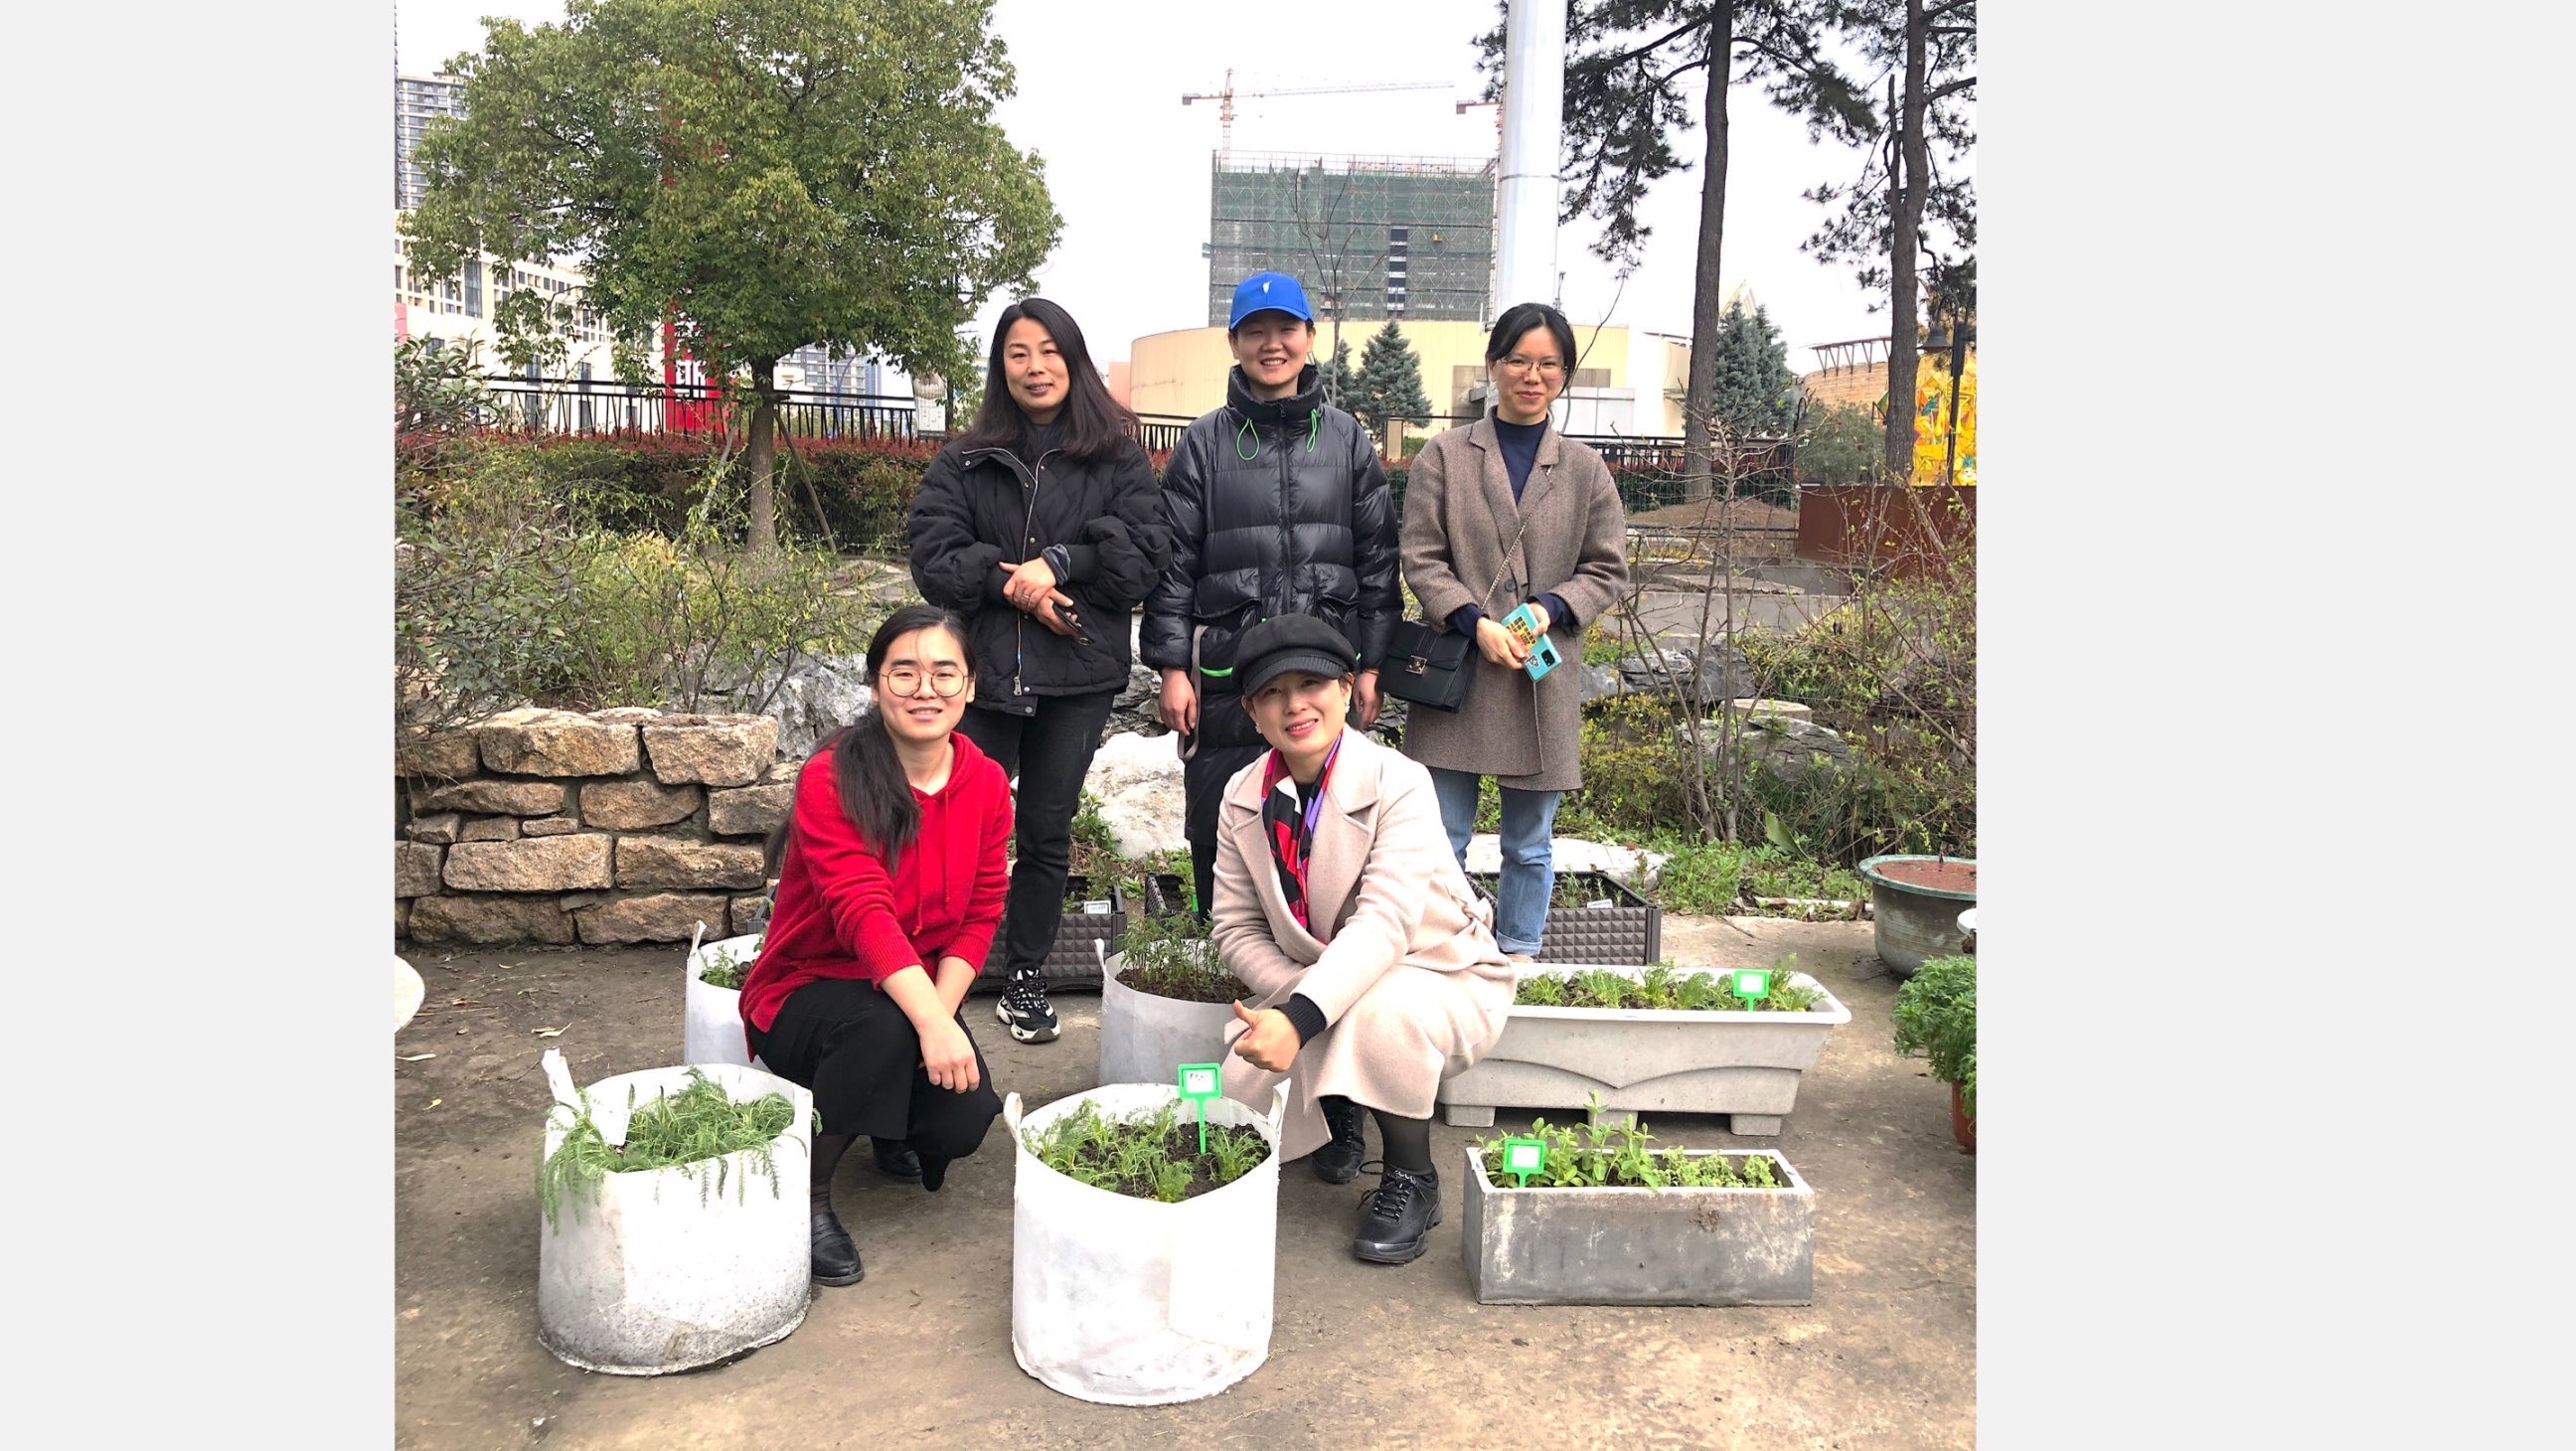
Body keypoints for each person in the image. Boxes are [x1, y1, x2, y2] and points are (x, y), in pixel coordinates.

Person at [1209, 616, 1515, 1265]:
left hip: (1439, 975)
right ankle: (1338, 1109)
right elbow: (1233, 927)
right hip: (1321, 979)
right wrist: (1307, 997)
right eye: (1273, 693)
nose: (1295, 705)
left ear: (1347, 690)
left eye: (1312, 683)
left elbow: (1386, 923)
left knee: (1376, 1010)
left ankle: (1411, 1176)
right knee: (1238, 1078)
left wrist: (1300, 1016)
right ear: (1252, 712)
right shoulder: (1242, 797)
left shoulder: (1396, 781)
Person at [909, 298, 1170, 1044]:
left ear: (1074, 359)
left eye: (1050, 351)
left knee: (1047, 832)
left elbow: (1145, 555)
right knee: (962, 832)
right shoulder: (966, 457)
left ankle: (1025, 974)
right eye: (1018, 353)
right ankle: (941, 977)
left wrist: (1060, 562)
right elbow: (933, 554)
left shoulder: (1116, 455)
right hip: (983, 677)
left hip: (1077, 675)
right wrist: (1008, 584)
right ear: (1000, 366)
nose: (1035, 367)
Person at [736, 605, 1012, 1287]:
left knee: (964, 1123)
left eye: (945, 673)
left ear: (971, 686)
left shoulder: (984, 785)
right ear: (874, 684)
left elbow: (980, 915)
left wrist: (940, 1021)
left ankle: (889, 1126)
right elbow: (865, 913)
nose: (926, 689)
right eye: (905, 672)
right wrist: (926, 1026)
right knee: (885, 1030)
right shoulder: (832, 777)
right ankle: (808, 1199)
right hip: (805, 992)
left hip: (907, 992)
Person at [1142, 271, 1400, 921]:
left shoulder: (1346, 439)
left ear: (1310, 337)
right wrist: (1173, 669)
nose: (1272, 344)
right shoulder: (1204, 442)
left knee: (1328, 823)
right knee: (1221, 816)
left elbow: (1376, 562)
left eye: (1286, 329)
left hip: (1325, 667)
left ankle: (1316, 974)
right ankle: (1219, 952)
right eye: (1255, 332)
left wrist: (1371, 664)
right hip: (1227, 669)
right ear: (1234, 343)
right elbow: (1171, 566)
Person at [1395, 302, 1628, 961]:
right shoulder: (1444, 455)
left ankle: (1520, 952)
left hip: (1541, 677)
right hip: (1460, 673)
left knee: (1531, 841)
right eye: (1519, 360)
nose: (1533, 375)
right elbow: (1421, 557)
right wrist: (1475, 622)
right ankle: (1443, 949)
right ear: (1493, 366)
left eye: (1548, 363)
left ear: (1565, 373)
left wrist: (1553, 606)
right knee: (1442, 834)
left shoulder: (1585, 469)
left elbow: (1608, 566)